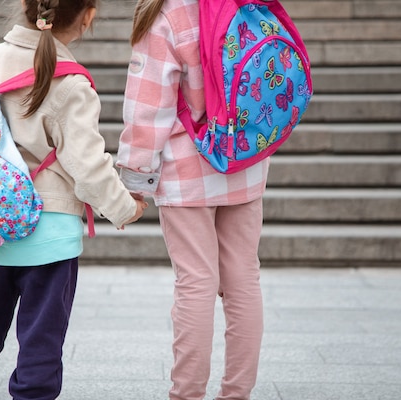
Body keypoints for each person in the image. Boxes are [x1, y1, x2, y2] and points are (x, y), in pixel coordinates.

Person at [0, 1, 147, 399]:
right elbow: (87, 166)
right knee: (41, 340)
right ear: (88, 16)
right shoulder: (71, 84)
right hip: (50, 236)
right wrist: (124, 207)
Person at [117, 0, 270, 399]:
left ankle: (186, 395)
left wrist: (136, 178)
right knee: (243, 279)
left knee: (196, 283)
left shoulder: (169, 13)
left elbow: (148, 106)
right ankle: (237, 393)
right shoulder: (246, 3)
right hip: (245, 160)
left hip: (189, 168)